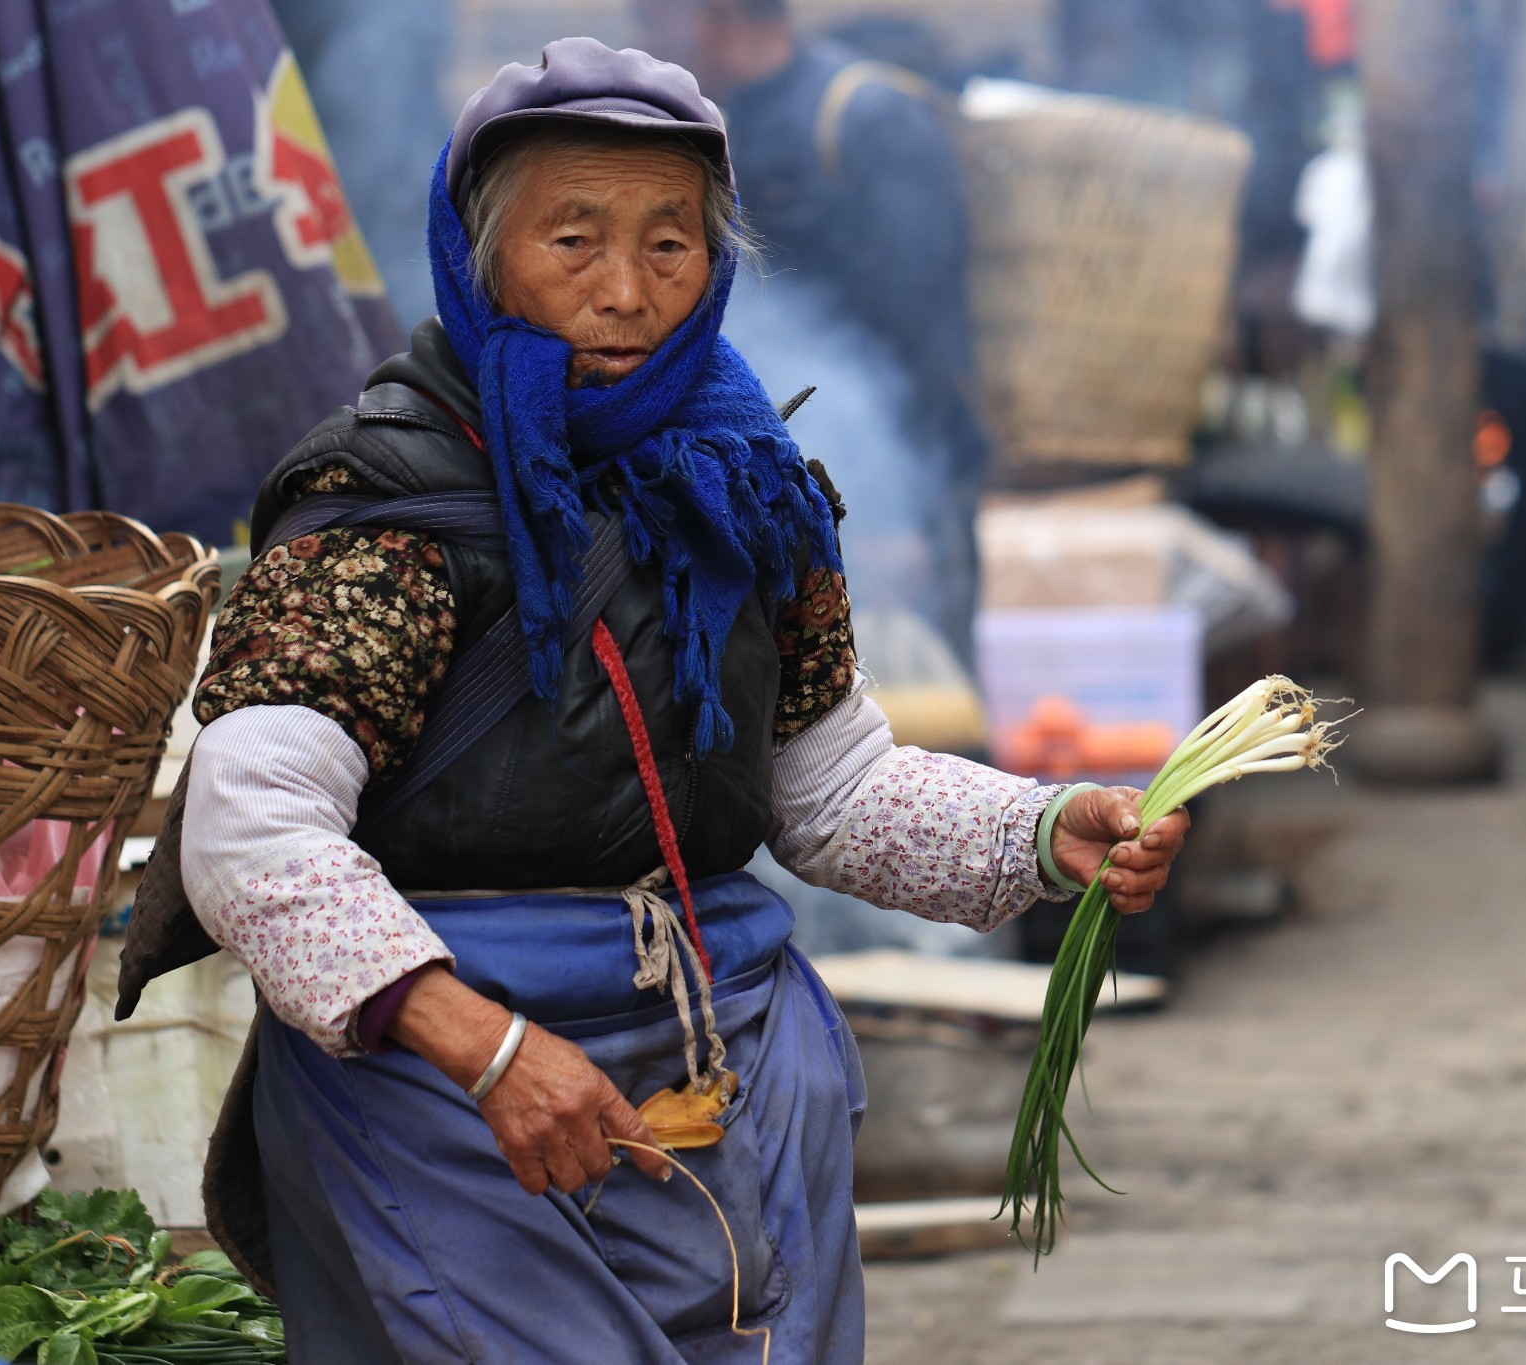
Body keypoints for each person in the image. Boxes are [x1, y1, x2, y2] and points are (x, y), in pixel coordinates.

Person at [143, 38, 1187, 1362]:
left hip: (731, 1071)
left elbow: (832, 791)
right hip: (448, 1095)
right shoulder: (386, 510)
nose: (626, 293)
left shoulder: (746, 486)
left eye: (671, 245)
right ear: (479, 258)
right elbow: (250, 832)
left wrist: (1041, 837)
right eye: (572, 241)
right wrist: (487, 1049)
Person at [632, 0, 988, 669]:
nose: (645, 43)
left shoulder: (869, 121)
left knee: (923, 715)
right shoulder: (725, 126)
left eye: (654, 21)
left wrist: (893, 518)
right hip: (796, 490)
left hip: (901, 501)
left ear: (718, 17)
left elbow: (923, 338)